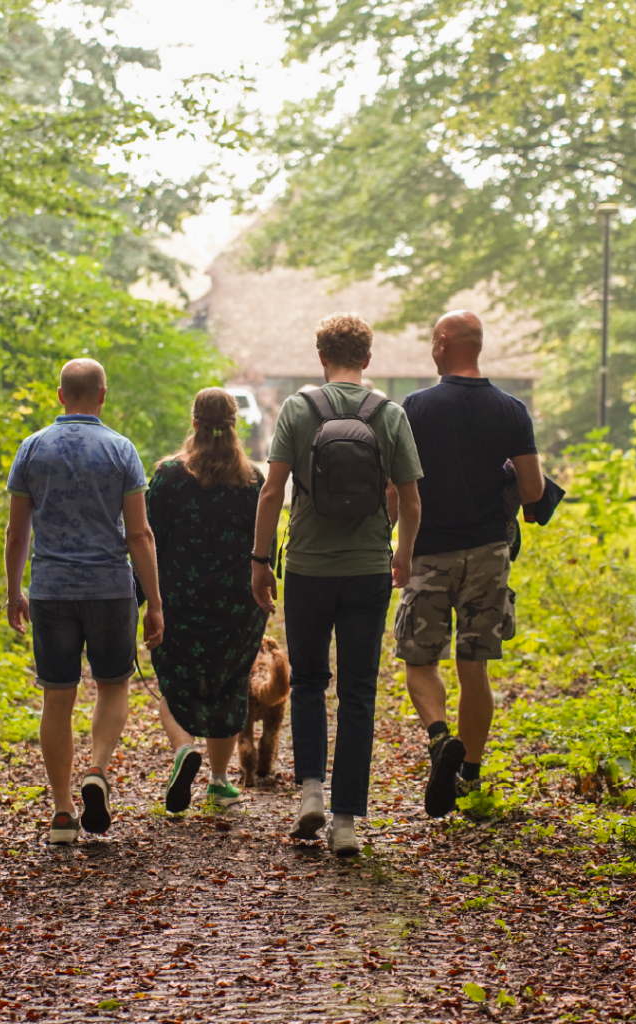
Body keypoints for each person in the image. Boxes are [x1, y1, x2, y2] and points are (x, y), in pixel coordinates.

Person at [251, 312, 424, 857]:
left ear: (320, 357)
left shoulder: (299, 410)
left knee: (306, 681)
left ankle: (309, 794)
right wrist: (402, 554)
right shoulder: (389, 414)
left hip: (306, 566)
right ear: (368, 360)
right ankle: (346, 820)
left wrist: (260, 560)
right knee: (358, 691)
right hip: (367, 567)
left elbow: (271, 491)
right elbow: (412, 499)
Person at [4, 358, 164, 844]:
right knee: (113, 687)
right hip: (111, 589)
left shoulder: (32, 449)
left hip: (51, 590)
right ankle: (96, 769)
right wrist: (154, 600)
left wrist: (15, 590)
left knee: (57, 697)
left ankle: (61, 811)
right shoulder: (121, 450)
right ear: (102, 395)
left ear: (59, 396)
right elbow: (139, 533)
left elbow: (17, 532)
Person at [396, 310, 544, 817]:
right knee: (474, 664)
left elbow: (399, 490)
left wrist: (392, 545)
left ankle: (440, 740)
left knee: (420, 661)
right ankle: (471, 775)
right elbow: (533, 491)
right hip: (488, 552)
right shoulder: (511, 410)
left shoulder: (414, 407)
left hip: (430, 551)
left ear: (442, 343)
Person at [146, 388, 269, 813]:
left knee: (175, 680)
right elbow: (267, 542)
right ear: (235, 424)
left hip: (179, 598)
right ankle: (218, 781)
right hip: (238, 603)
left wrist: (145, 598)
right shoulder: (254, 479)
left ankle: (183, 750)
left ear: (194, 422)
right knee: (229, 683)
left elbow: (149, 541)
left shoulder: (167, 476)